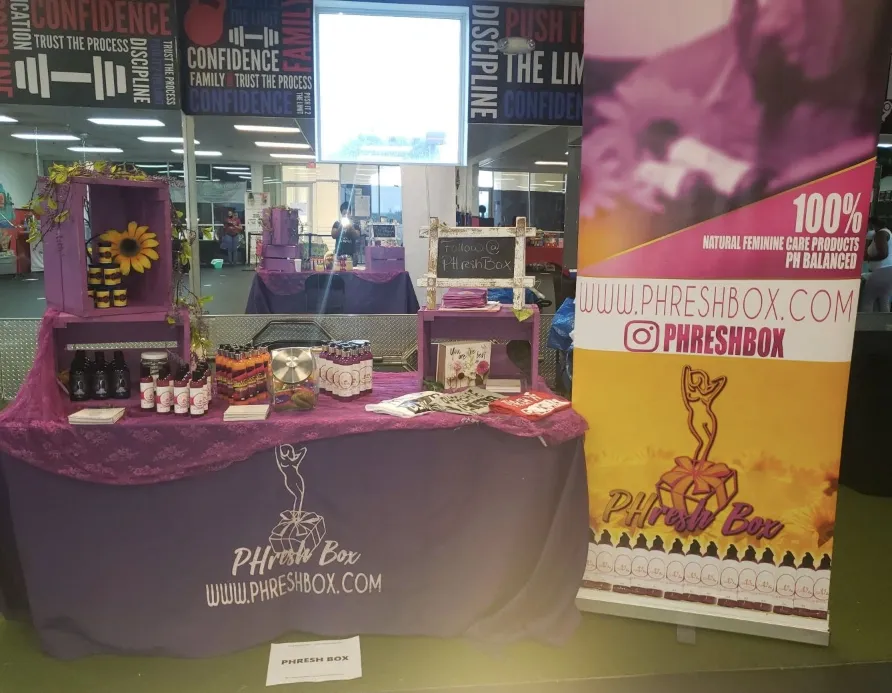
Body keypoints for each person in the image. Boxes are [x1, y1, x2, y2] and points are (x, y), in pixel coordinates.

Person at [862, 216, 892, 312]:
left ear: (872, 224)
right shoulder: (885, 232)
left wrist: (869, 258)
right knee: (884, 300)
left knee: (868, 300)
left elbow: (883, 253)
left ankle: (866, 324)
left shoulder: (881, 234)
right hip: (887, 270)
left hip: (881, 271)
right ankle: (884, 325)